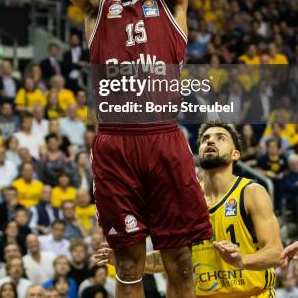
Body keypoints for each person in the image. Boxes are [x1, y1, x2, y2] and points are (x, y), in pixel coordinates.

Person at [40, 0, 212, 297]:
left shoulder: (172, 2)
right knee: (128, 265)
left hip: (163, 138)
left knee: (179, 262)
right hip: (115, 143)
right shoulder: (99, 6)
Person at [96, 122, 283, 298]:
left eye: (220, 138)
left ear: (235, 154)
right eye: (205, 138)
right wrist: (126, 261)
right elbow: (174, 260)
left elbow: (275, 253)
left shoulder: (251, 192)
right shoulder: (184, 196)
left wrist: (241, 260)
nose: (210, 141)